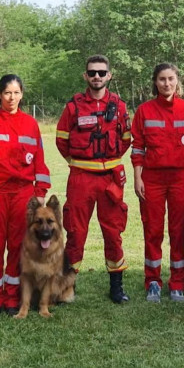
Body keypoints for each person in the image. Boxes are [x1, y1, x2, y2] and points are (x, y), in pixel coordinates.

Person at [0, 74, 52, 316]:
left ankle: (12, 295)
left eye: (16, 93)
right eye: (7, 93)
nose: (12, 97)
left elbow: (39, 161)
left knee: (17, 246)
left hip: (23, 195)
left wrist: (39, 193)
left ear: (22, 94)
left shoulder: (30, 124)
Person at [55, 55, 132, 304]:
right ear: (85, 76)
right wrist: (80, 163)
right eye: (92, 73)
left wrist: (108, 162)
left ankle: (116, 287)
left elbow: (126, 139)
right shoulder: (73, 107)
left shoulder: (120, 106)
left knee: (113, 232)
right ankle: (67, 287)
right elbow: (62, 141)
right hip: (81, 179)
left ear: (109, 75)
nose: (96, 76)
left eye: (101, 72)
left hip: (110, 178)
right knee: (76, 232)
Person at [131, 63, 184, 303]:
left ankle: (177, 283)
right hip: (152, 178)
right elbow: (138, 147)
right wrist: (137, 176)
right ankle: (153, 281)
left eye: (170, 78)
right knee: (152, 230)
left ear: (177, 81)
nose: (166, 83)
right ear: (155, 82)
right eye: (162, 79)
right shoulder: (144, 111)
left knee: (179, 231)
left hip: (181, 178)